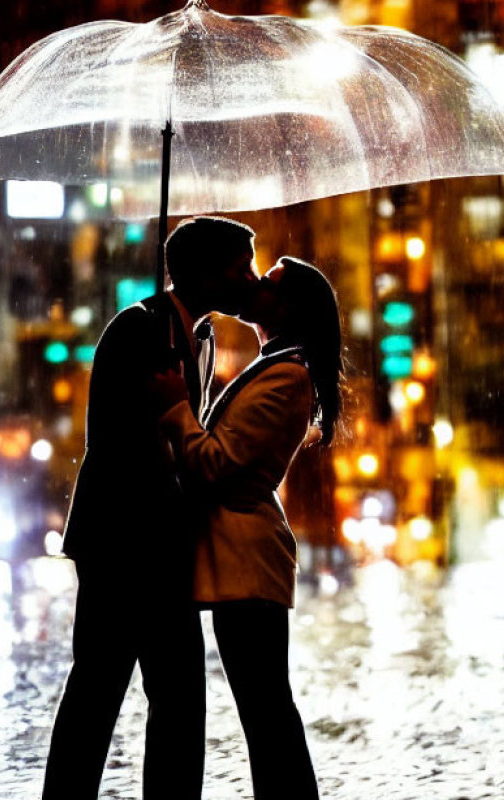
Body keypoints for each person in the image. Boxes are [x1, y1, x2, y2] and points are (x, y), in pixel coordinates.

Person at [42, 216, 259, 800]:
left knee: (177, 697)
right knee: (101, 686)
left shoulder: (203, 336)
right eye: (242, 268)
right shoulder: (138, 330)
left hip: (164, 546)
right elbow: (125, 447)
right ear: (205, 272)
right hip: (123, 540)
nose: (251, 280)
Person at [153, 256, 343, 800]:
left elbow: (215, 463)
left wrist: (175, 408)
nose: (256, 284)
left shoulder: (287, 375)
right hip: (236, 556)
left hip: (247, 558)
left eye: (269, 283)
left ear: (288, 308)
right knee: (265, 711)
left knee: (265, 712)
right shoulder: (274, 363)